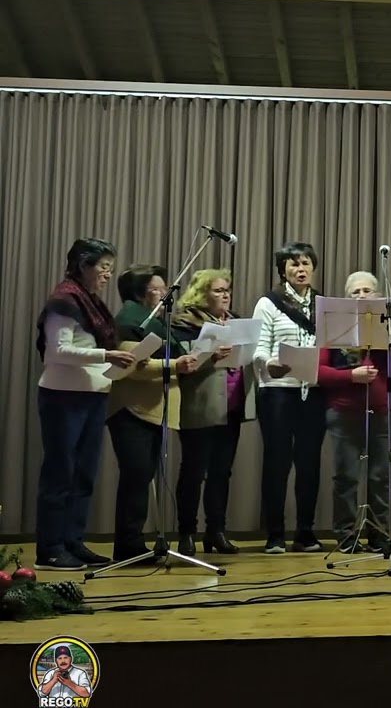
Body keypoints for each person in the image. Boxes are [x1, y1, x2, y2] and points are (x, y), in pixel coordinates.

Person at [34, 238, 137, 571]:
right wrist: (106, 355)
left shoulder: (90, 301)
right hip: (63, 396)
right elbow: (57, 351)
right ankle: (50, 548)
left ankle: (73, 542)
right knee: (60, 473)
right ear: (83, 265)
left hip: (93, 395)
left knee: (84, 475)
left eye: (110, 268)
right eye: (103, 267)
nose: (108, 274)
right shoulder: (64, 300)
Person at [105, 264, 198, 563]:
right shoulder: (129, 320)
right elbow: (133, 367)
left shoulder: (156, 322)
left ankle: (133, 544)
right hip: (132, 409)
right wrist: (175, 365)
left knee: (142, 477)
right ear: (140, 293)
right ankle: (128, 546)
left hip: (152, 410)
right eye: (158, 289)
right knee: (136, 477)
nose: (164, 293)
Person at [316, 271, 391, 554]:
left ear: (377, 295)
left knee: (381, 478)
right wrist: (350, 376)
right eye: (354, 292)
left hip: (381, 411)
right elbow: (319, 372)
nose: (361, 296)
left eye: (366, 291)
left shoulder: (388, 323)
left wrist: (389, 334)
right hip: (344, 412)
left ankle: (380, 535)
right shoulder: (332, 325)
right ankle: (347, 536)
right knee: (346, 478)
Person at [172, 268, 255, 556]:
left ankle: (216, 531)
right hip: (200, 406)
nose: (225, 295)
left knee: (221, 472)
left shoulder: (235, 321)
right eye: (218, 290)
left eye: (227, 290)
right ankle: (186, 533)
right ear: (201, 294)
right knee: (193, 472)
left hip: (231, 406)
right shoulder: (185, 323)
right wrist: (210, 356)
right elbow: (183, 364)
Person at [251, 241, 325, 554]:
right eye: (294, 264)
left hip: (313, 391)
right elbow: (258, 348)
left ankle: (305, 532)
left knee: (309, 464)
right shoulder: (268, 303)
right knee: (277, 462)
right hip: (277, 391)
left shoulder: (322, 304)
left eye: (306, 263)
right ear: (283, 270)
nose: (300, 269)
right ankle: (275, 534)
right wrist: (270, 363)